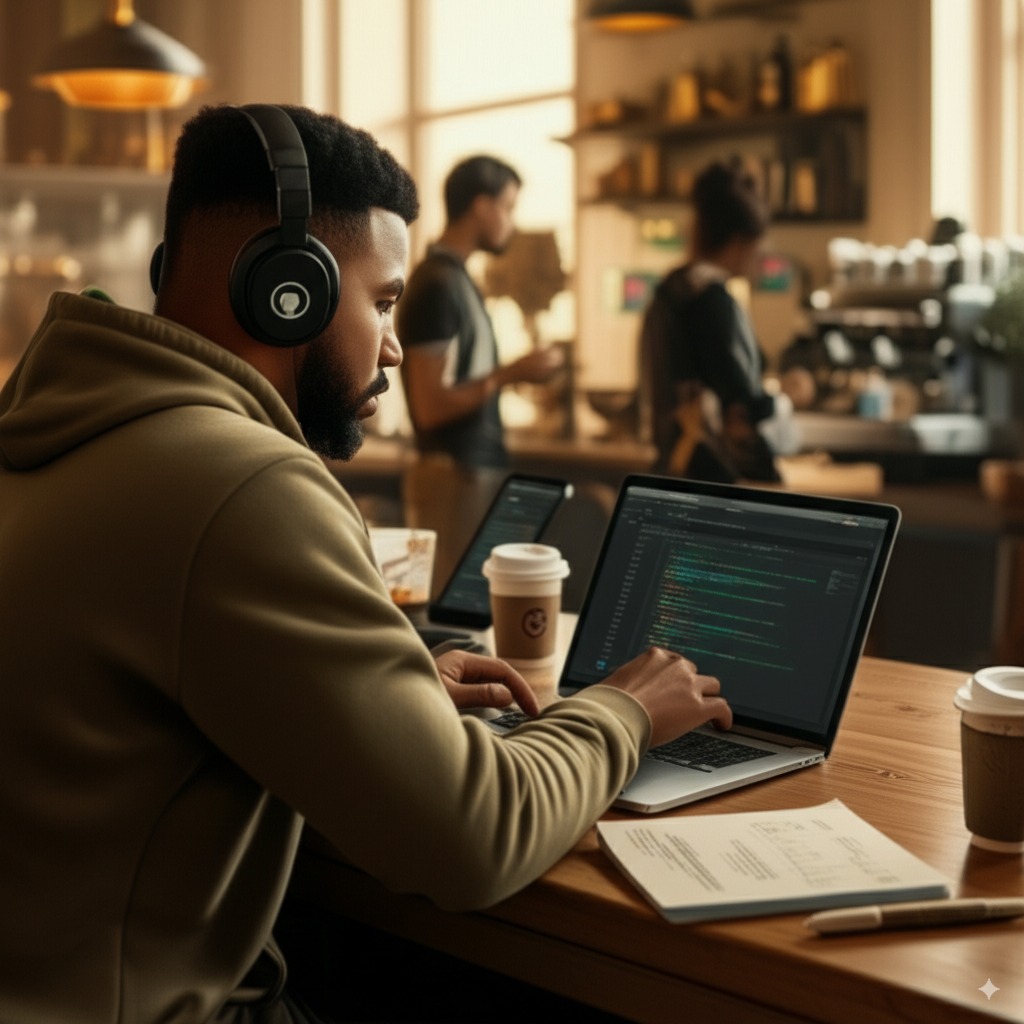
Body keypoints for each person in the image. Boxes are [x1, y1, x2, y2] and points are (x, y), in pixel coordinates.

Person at [0, 104, 731, 1023]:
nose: (391, 343)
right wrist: (622, 711)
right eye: (382, 301)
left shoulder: (56, 434)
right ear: (286, 288)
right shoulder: (244, 483)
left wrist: (381, 686)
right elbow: (475, 837)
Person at [397, 155, 564, 469]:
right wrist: (512, 373)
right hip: (452, 476)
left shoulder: (455, 279)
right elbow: (429, 406)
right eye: (508, 208)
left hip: (465, 475)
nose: (512, 223)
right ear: (482, 207)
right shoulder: (439, 284)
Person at [640, 159, 784, 482]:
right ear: (739, 243)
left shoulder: (671, 291)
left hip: (674, 467)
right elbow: (740, 402)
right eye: (758, 246)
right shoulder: (713, 301)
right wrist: (785, 395)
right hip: (711, 476)